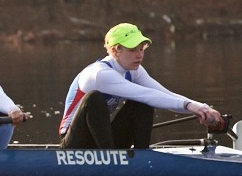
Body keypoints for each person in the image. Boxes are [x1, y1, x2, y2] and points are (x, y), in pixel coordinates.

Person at [58, 22, 224, 149]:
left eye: (141, 49)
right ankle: (110, 160)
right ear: (116, 51)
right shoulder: (99, 74)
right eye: (133, 50)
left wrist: (202, 109)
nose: (139, 55)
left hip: (102, 139)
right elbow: (146, 94)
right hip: (74, 144)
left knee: (142, 104)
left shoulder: (133, 70)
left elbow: (163, 94)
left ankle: (141, 157)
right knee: (94, 98)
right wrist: (193, 107)